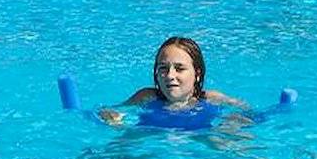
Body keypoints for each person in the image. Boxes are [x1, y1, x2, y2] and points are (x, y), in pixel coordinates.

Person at [100, 37, 244, 125]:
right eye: (163, 68)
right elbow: (108, 110)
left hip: (200, 135)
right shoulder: (147, 96)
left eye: (179, 68)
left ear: (197, 74)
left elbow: (248, 114)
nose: (170, 75)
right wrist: (112, 116)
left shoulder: (211, 98)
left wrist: (233, 122)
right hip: (151, 136)